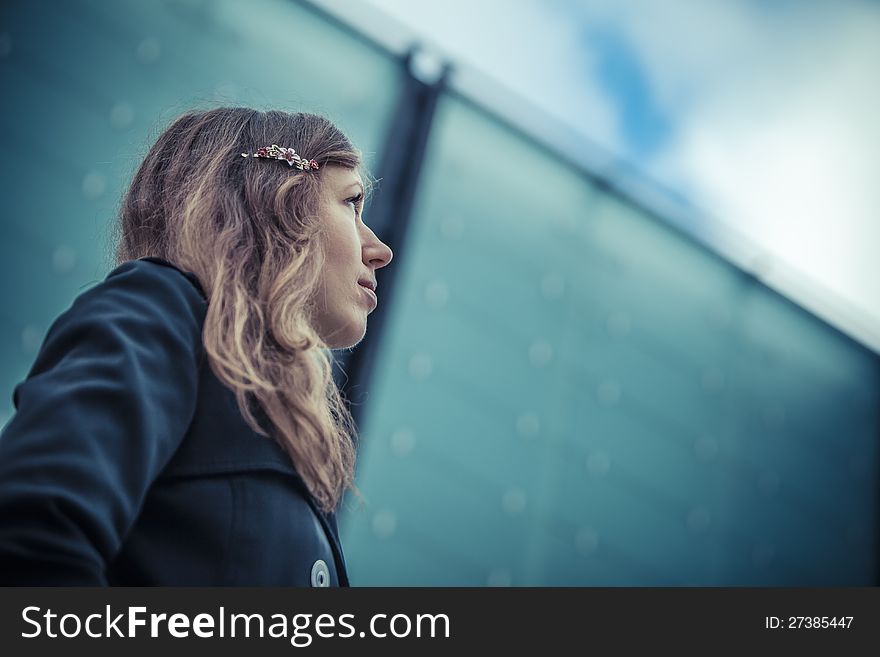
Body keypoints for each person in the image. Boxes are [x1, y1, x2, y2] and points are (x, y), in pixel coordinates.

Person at [0, 107, 393, 586]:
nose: (379, 249)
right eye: (352, 203)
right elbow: (33, 534)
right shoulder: (161, 310)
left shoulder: (293, 434)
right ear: (274, 202)